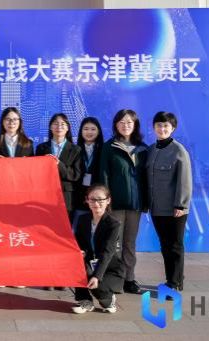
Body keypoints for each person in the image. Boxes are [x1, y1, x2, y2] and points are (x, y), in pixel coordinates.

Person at [99, 109, 148, 294]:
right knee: (114, 244)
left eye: (129, 122)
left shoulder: (143, 148)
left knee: (130, 243)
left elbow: (146, 178)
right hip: (115, 204)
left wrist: (146, 201)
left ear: (135, 125)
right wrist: (106, 201)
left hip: (135, 204)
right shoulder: (109, 147)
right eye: (121, 122)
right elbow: (103, 174)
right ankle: (114, 279)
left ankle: (129, 279)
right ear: (116, 125)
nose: (125, 125)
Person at [146, 112, 192, 292]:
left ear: (173, 128)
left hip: (175, 208)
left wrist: (181, 204)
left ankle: (173, 284)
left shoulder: (179, 150)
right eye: (159, 125)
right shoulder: (151, 150)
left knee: (175, 246)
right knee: (165, 245)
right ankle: (174, 279)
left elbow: (185, 179)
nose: (162, 129)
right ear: (154, 127)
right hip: (157, 207)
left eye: (166, 126)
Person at [71, 184, 124, 314]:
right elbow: (79, 242)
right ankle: (85, 301)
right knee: (75, 264)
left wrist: (97, 276)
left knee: (96, 285)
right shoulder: (83, 219)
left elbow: (108, 252)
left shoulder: (113, 224)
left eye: (100, 199)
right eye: (92, 199)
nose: (96, 203)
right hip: (90, 262)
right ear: (87, 200)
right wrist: (81, 251)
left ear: (108, 200)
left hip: (109, 268)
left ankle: (109, 300)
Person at [35, 113, 82, 217]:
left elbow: (75, 175)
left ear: (67, 128)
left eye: (63, 124)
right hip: (45, 194)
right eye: (55, 124)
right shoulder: (41, 148)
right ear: (50, 127)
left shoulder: (76, 150)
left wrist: (58, 164)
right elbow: (36, 173)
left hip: (66, 196)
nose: (59, 127)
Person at [73, 117, 105, 230]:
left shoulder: (104, 150)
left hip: (98, 198)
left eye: (93, 129)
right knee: (78, 230)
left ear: (98, 131)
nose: (89, 132)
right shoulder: (75, 149)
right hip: (78, 197)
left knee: (97, 230)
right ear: (81, 131)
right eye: (86, 129)